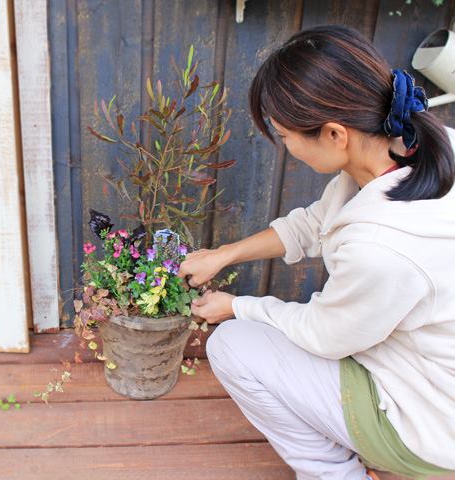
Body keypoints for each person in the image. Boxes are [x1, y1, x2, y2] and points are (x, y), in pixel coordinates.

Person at [177, 25, 455, 480]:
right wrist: (224, 254)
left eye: (285, 135)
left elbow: (325, 335)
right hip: (432, 369)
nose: (285, 147)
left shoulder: (381, 248)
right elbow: (314, 222)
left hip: (430, 427)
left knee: (232, 346)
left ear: (333, 135)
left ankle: (333, 473)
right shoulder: (413, 149)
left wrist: (238, 307)